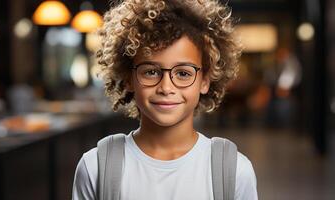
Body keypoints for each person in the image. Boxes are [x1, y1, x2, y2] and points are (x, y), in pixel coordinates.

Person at [72, 0, 258, 199]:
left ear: (205, 81)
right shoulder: (96, 167)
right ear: (129, 79)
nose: (166, 87)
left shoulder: (234, 171)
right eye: (151, 72)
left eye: (184, 74)